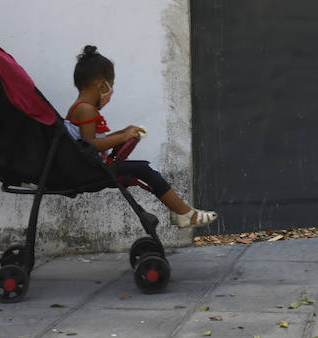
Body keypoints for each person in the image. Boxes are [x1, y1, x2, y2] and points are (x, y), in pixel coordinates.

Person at [68, 45, 216, 229]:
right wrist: (122, 138)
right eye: (110, 87)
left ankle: (180, 211)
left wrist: (124, 132)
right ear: (100, 84)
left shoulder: (81, 108)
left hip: (93, 168)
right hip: (93, 171)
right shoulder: (86, 109)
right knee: (145, 169)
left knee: (144, 171)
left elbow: (93, 140)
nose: (110, 93)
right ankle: (186, 214)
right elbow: (89, 145)